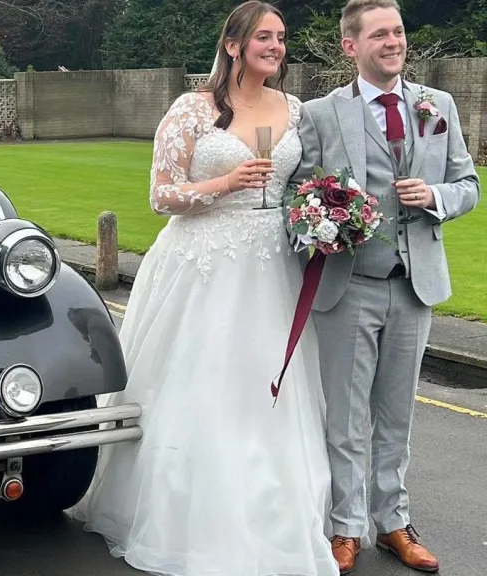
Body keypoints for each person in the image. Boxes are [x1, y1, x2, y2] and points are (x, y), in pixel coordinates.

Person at [68, 2, 338, 575]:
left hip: (274, 265)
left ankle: (274, 513)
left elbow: (304, 182)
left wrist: (321, 212)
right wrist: (223, 182)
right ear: (234, 44)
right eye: (264, 36)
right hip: (205, 261)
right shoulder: (193, 108)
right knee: (204, 381)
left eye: (282, 38)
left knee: (270, 388)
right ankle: (189, 517)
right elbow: (162, 195)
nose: (276, 46)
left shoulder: (292, 109)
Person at [292, 1, 480, 573]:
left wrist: (439, 199)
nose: (393, 41)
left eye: (397, 31)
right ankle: (346, 528)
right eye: (380, 34)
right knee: (345, 419)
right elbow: (297, 195)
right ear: (351, 46)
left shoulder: (436, 105)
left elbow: (468, 182)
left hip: (415, 286)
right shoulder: (321, 113)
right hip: (350, 286)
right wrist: (324, 219)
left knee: (397, 416)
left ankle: (393, 523)